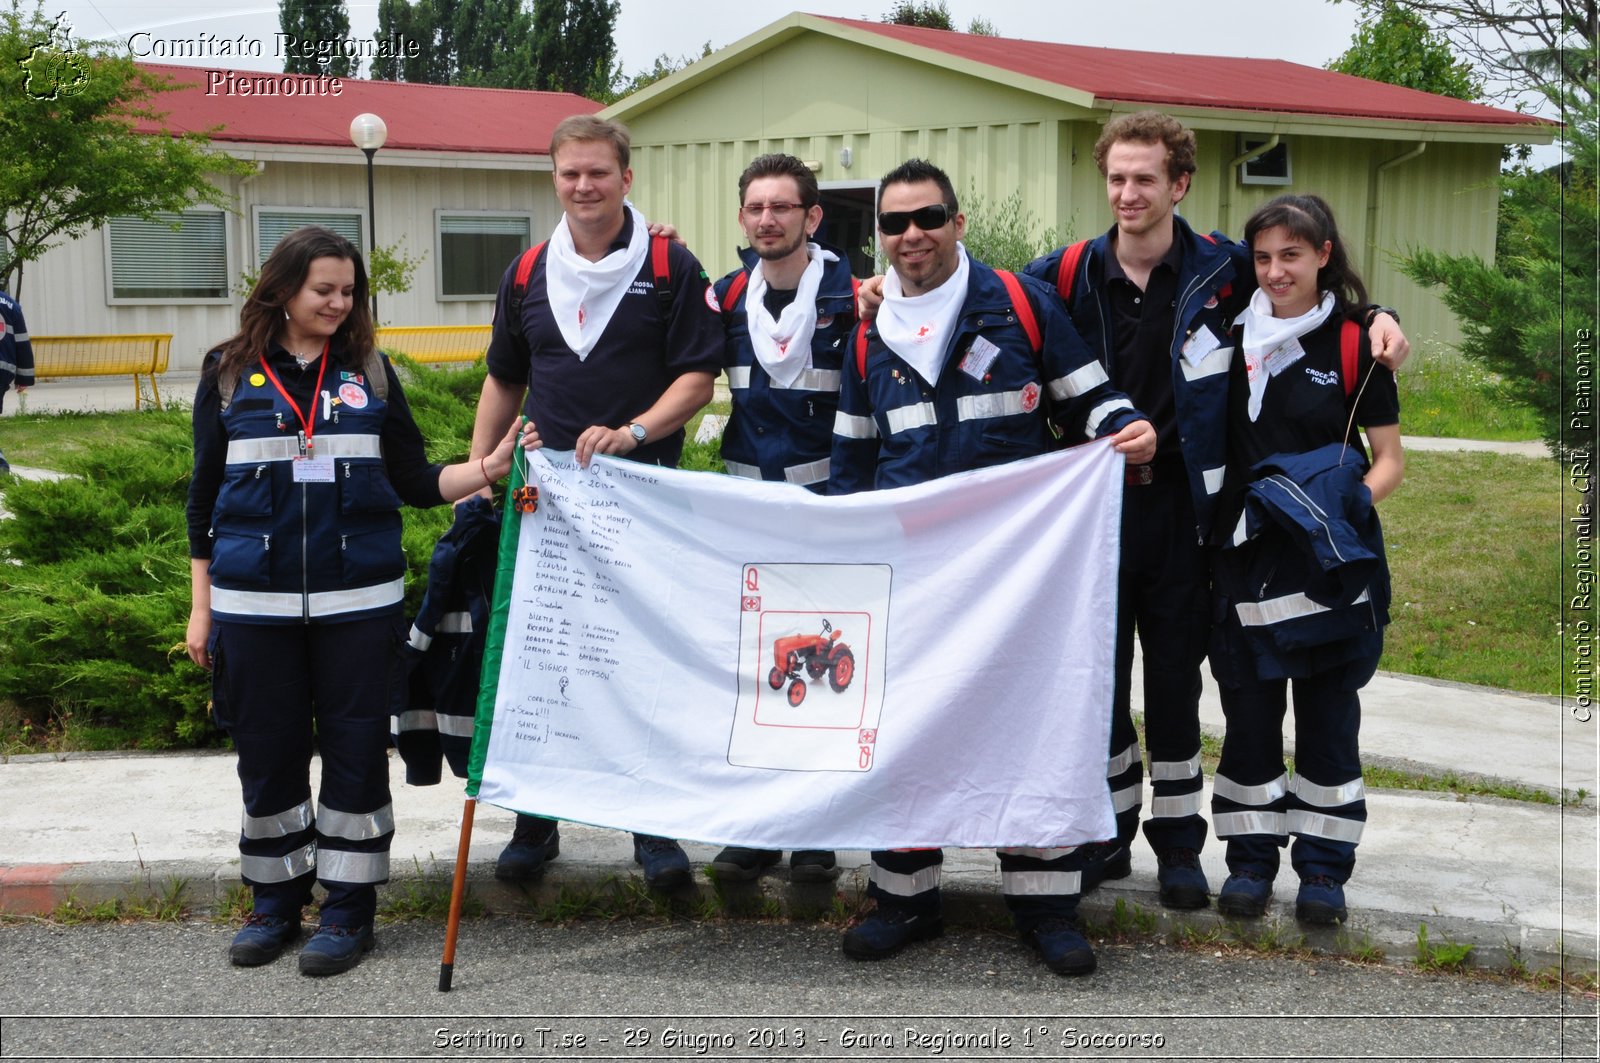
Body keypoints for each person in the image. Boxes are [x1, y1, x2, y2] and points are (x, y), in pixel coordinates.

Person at [1019, 112, 1409, 911]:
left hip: (1185, 515)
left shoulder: (1224, 271)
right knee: (1095, 686)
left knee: (1172, 684)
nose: (1129, 193)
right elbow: (981, 303)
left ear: (1180, 184)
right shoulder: (1057, 277)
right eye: (1117, 178)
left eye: (1146, 179)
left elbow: (1305, 291)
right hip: (1089, 515)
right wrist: (878, 286)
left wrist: (1378, 316)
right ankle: (1104, 836)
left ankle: (1178, 847)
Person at [830, 158, 1156, 977]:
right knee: (908, 726)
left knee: (1030, 721)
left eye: (928, 216)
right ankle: (905, 896)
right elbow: (851, 464)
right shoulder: (866, 331)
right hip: (915, 574)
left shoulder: (1019, 303)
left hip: (1022, 576)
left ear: (958, 221)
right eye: (896, 222)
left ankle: (1045, 905)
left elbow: (1092, 398)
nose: (913, 235)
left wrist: (1129, 428)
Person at [185, 226, 533, 976]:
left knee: (353, 761)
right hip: (253, 607)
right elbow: (201, 499)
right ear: (280, 290)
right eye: (325, 290)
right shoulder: (226, 374)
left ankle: (347, 913)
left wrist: (485, 467)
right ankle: (274, 904)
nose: (341, 303)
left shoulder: (370, 373)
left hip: (359, 608)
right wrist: (201, 606)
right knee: (267, 757)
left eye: (350, 291)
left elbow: (412, 479)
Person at [468, 114, 722, 892]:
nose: (584, 186)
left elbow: (698, 377)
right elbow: (505, 378)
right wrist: (483, 469)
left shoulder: (673, 264)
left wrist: (637, 431)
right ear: (554, 178)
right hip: (546, 501)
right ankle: (534, 822)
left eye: (599, 173)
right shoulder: (525, 272)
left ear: (626, 179)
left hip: (641, 499)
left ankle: (653, 830)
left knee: (639, 660)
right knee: (542, 659)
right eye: (571, 173)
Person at [1207, 193, 1402, 925]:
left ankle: (1323, 869)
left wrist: (1345, 512)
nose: (1275, 270)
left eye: (1292, 254)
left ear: (1324, 254)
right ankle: (1251, 864)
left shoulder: (1356, 343)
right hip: (1243, 566)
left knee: (1327, 719)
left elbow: (1388, 460)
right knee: (1248, 721)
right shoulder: (1225, 337)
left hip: (1327, 568)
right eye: (1262, 257)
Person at [704, 152, 856, 884]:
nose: (768, 219)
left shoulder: (856, 299)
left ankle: (818, 830)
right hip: (749, 522)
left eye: (783, 207)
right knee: (758, 678)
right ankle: (759, 826)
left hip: (827, 518)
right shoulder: (724, 297)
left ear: (811, 217)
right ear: (743, 217)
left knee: (824, 675)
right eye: (756, 207)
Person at [0, 286, 34, 474]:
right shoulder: (11, 305)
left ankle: (1, 465)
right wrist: (24, 377)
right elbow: (22, 343)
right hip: (3, 370)